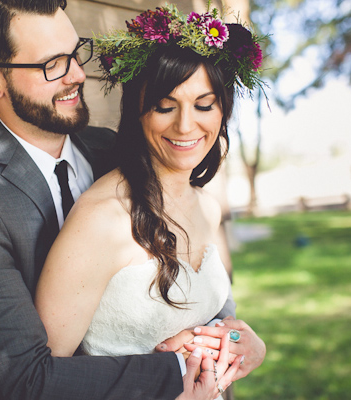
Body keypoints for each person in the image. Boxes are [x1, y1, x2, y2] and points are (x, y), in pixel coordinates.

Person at [0, 0, 264, 399]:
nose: (78, 74)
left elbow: (193, 261)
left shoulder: (115, 150)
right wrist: (179, 368)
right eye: (53, 64)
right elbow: (23, 377)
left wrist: (237, 339)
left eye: (75, 53)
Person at [35, 4, 267, 399]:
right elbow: (44, 379)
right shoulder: (102, 220)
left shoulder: (206, 205)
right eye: (165, 106)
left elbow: (212, 319)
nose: (185, 125)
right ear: (138, 113)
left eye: (204, 105)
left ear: (223, 111)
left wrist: (249, 346)